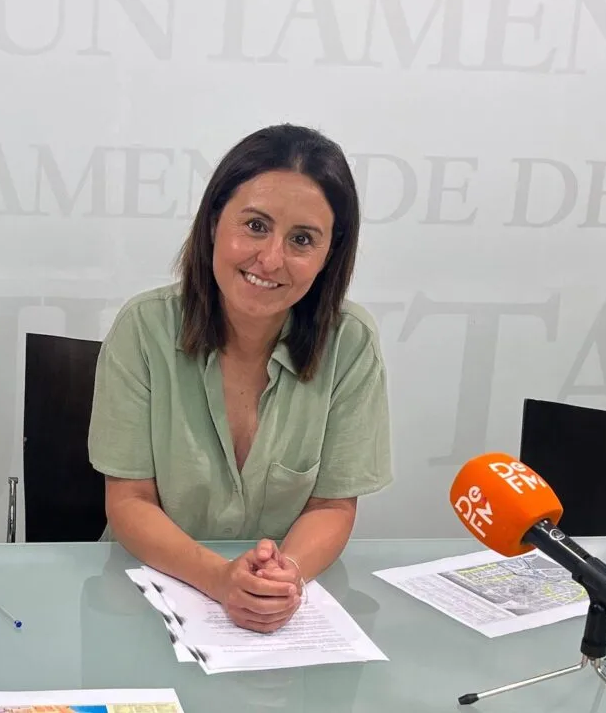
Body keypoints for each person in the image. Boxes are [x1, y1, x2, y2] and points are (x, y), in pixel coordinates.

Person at [87, 124, 393, 633]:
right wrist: (222, 579)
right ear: (213, 223)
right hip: (146, 598)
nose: (271, 259)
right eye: (254, 226)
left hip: (280, 614)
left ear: (328, 255)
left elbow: (333, 505)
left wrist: (280, 579)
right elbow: (129, 501)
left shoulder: (352, 342)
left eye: (302, 239)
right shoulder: (143, 328)